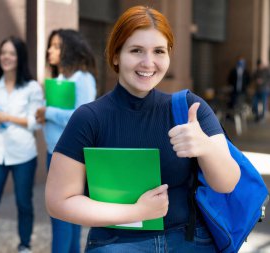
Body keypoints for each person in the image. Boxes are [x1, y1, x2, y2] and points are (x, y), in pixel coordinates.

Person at [45, 6, 240, 253]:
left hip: (189, 240)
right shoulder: (89, 118)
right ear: (116, 55)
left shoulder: (190, 108)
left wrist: (205, 147)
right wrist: (136, 212)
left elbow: (227, 183)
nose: (148, 63)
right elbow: (58, 201)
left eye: (158, 51)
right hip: (116, 243)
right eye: (136, 50)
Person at [0, 36, 43, 253]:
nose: (6, 57)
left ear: (20, 57)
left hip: (23, 154)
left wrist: (7, 117)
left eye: (11, 53)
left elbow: (35, 122)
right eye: (3, 52)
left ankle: (24, 245)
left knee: (24, 203)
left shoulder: (32, 88)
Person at [35, 29, 97, 253]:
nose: (50, 50)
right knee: (65, 220)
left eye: (56, 46)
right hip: (53, 152)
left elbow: (80, 117)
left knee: (62, 219)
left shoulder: (83, 79)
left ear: (69, 49)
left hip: (71, 159)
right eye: (50, 46)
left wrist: (48, 112)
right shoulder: (58, 81)